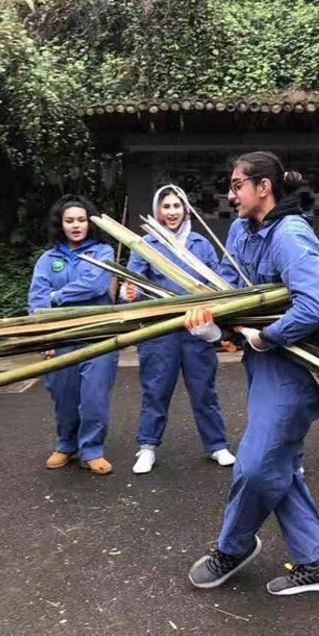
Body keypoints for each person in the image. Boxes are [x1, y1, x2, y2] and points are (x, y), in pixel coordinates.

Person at [184, 151, 319, 596]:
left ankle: (233, 546)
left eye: (238, 184)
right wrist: (210, 325)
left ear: (264, 188)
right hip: (264, 363)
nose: (231, 193)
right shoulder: (241, 230)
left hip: (300, 364)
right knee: (278, 463)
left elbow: (315, 306)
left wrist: (265, 337)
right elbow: (226, 286)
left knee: (257, 466)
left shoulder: (291, 235)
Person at [123, 184, 235, 474]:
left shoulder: (200, 243)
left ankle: (217, 445)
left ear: (186, 209)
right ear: (157, 211)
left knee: (203, 390)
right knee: (156, 390)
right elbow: (130, 284)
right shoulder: (146, 244)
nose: (172, 212)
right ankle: (147, 447)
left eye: (177, 206)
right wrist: (129, 292)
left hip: (196, 329)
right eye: (166, 206)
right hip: (160, 332)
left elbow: (219, 281)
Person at [28, 194, 118, 475]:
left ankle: (92, 450)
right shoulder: (48, 258)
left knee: (94, 395)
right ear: (61, 224)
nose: (76, 225)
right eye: (70, 221)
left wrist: (57, 296)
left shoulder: (103, 252)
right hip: (61, 336)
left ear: (89, 224)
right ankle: (66, 445)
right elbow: (37, 299)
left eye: (81, 220)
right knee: (63, 395)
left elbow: (95, 285)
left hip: (97, 334)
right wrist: (45, 337)